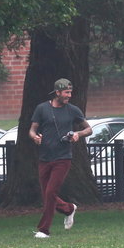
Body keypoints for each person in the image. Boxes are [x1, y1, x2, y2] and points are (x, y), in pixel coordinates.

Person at [29, 78, 92, 238]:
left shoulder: (73, 110)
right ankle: (69, 208)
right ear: (57, 92)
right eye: (66, 92)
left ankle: (44, 229)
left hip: (63, 158)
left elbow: (89, 129)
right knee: (47, 195)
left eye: (70, 92)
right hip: (44, 157)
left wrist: (78, 133)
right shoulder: (42, 109)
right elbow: (32, 130)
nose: (69, 95)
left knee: (50, 192)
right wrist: (35, 137)